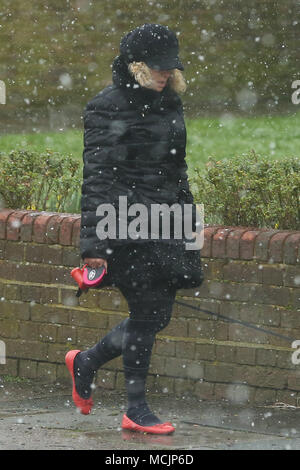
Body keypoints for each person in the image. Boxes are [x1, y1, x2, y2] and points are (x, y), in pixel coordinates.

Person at [65, 23, 204, 435]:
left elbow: (178, 171)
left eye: (170, 68)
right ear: (136, 66)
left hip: (167, 222)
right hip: (124, 222)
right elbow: (97, 178)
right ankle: (136, 408)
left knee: (158, 314)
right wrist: (93, 244)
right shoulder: (105, 106)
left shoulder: (170, 103)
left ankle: (86, 361)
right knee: (146, 313)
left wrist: (189, 225)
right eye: (158, 69)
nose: (165, 75)